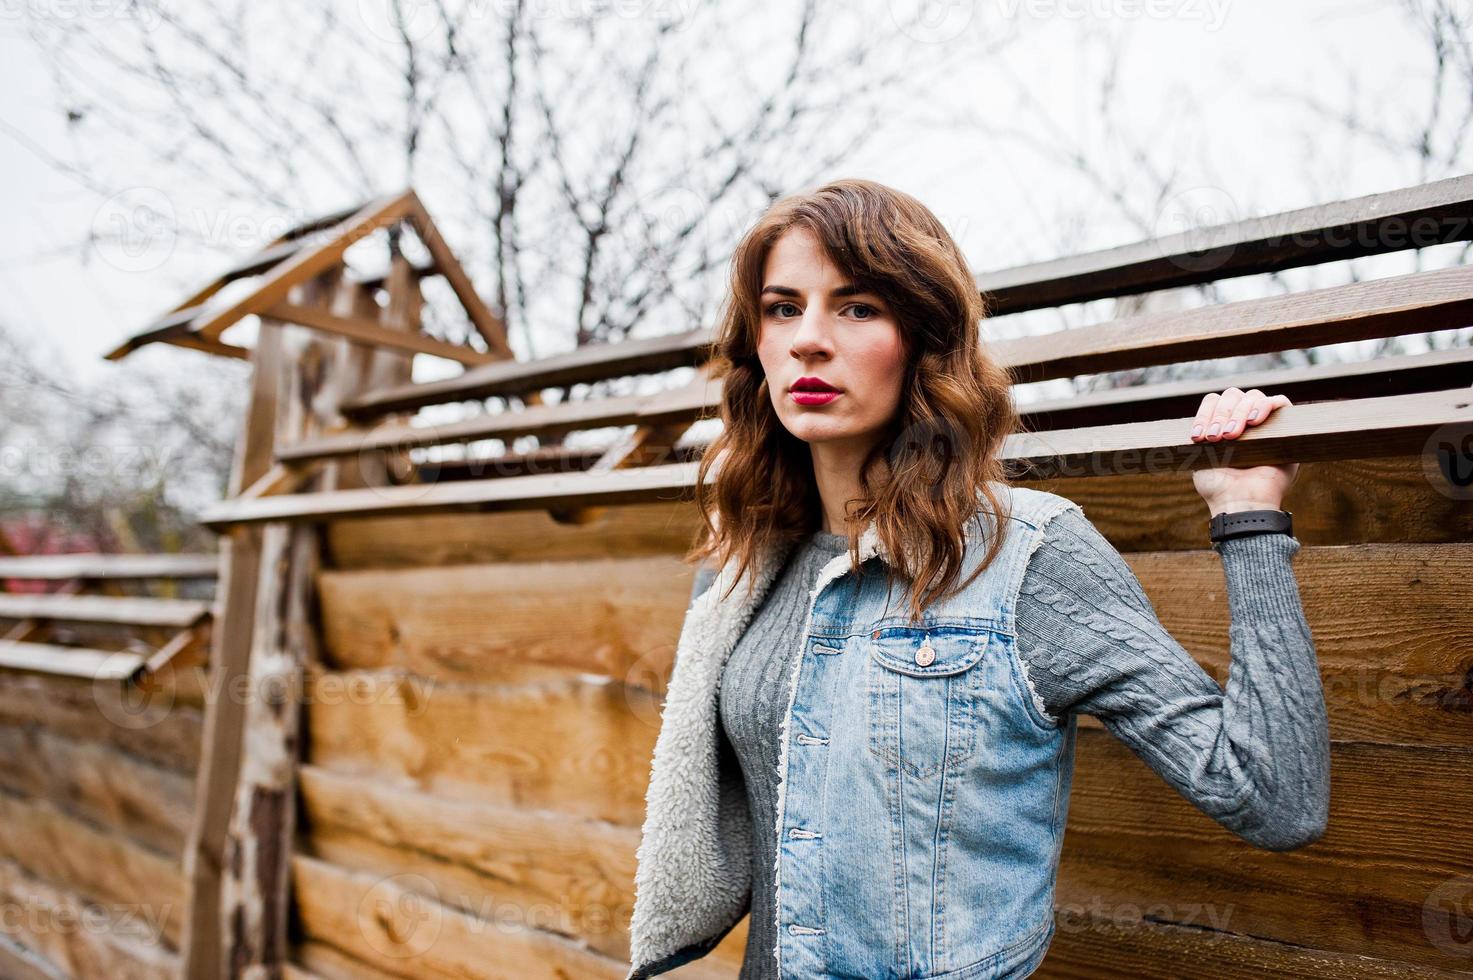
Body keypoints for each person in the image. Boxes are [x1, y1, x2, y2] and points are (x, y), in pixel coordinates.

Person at [626, 178, 1330, 980]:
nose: (808, 340)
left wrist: (1248, 520)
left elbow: (1272, 798)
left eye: (857, 308)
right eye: (782, 307)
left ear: (923, 337)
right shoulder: (743, 561)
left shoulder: (1028, 554)